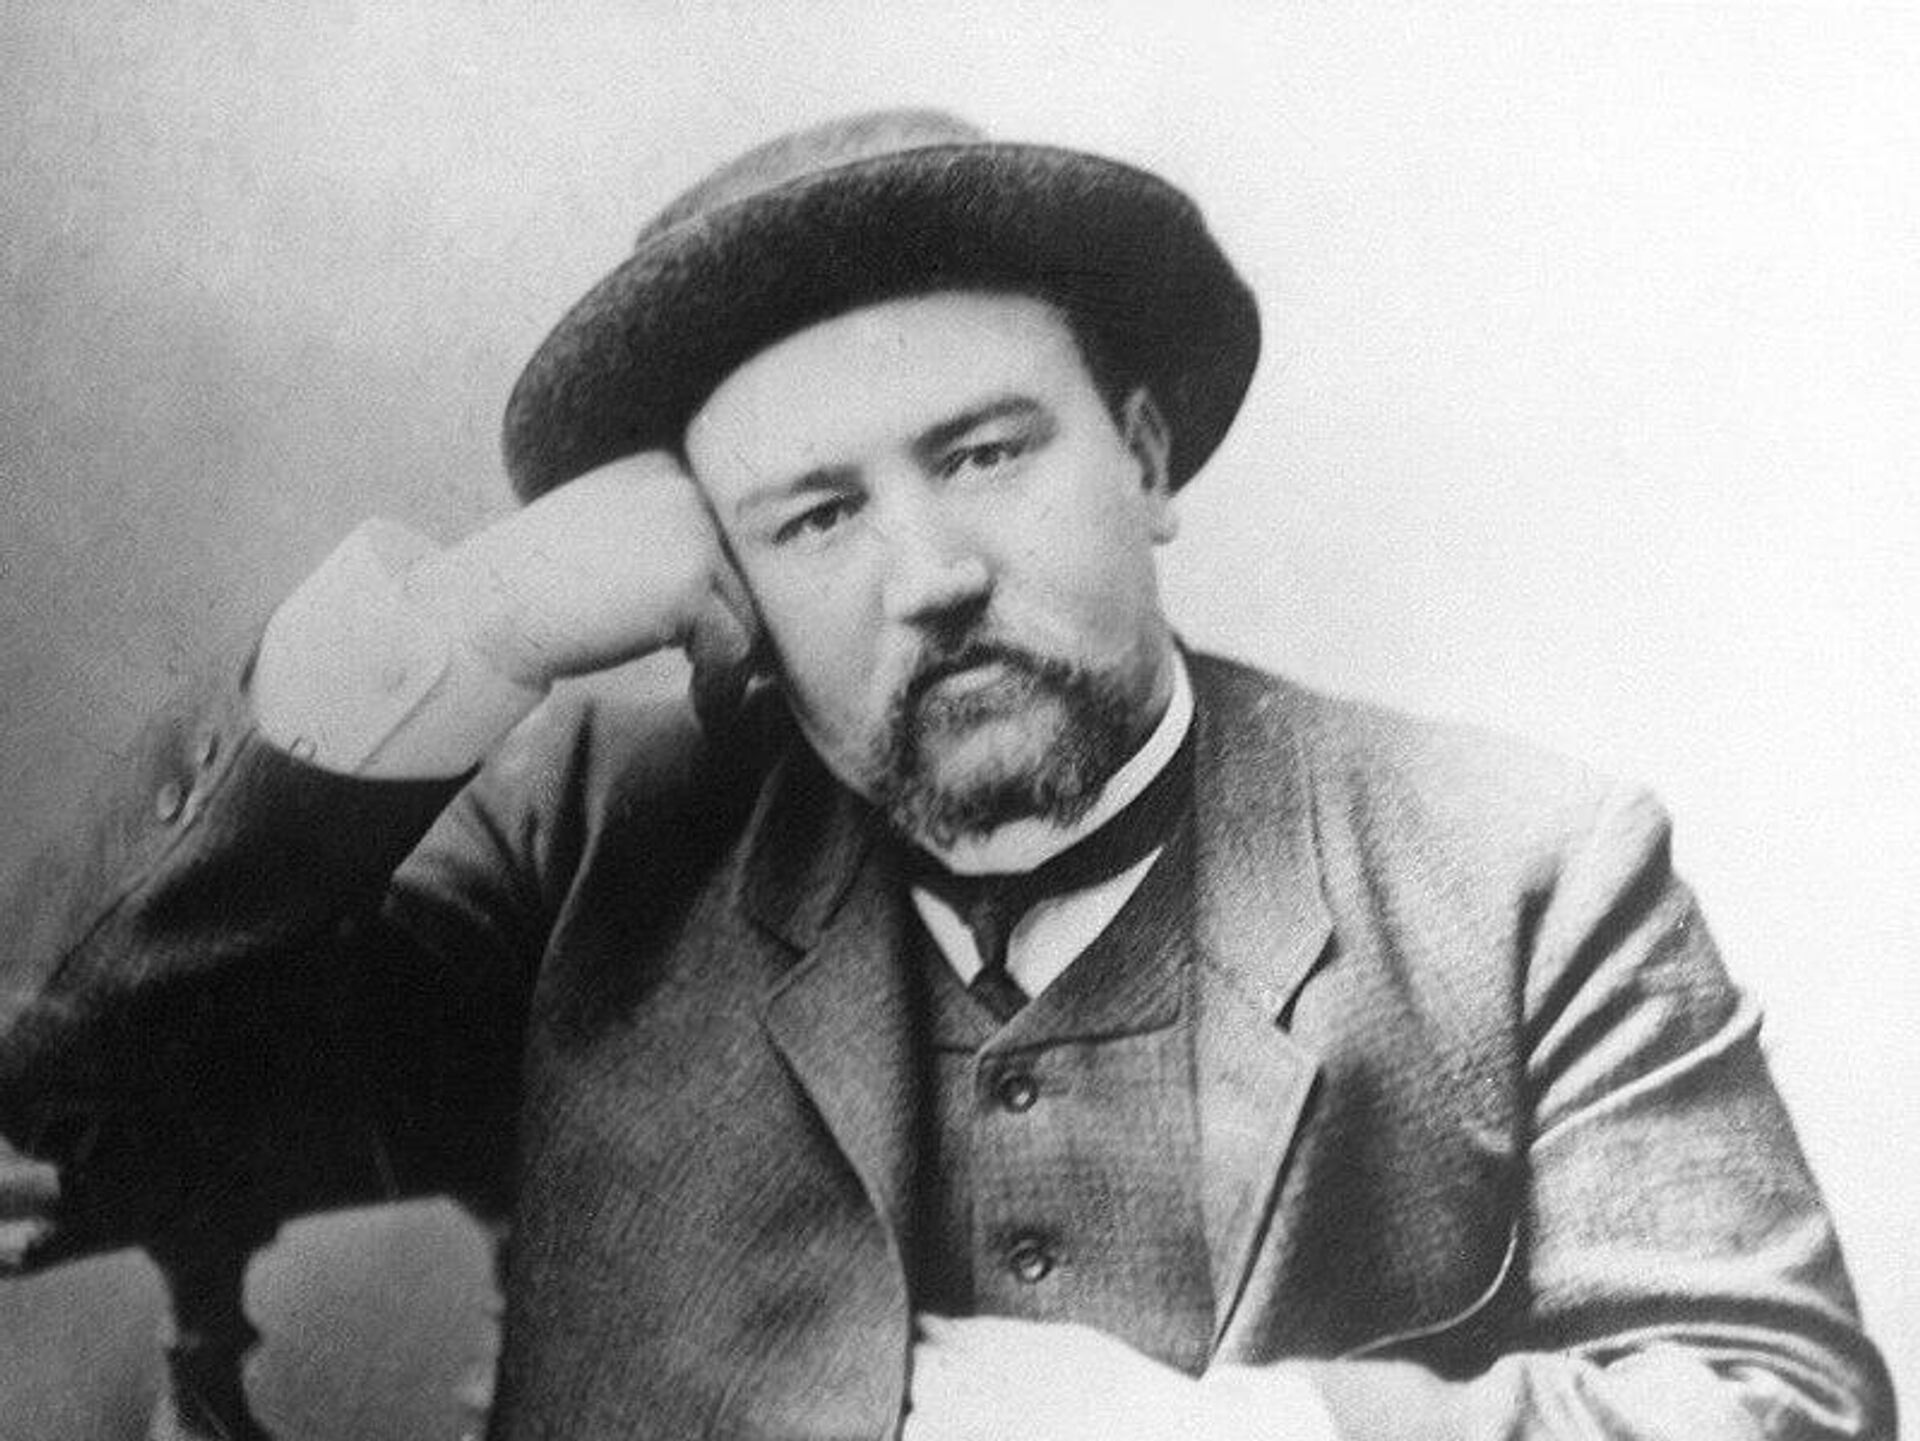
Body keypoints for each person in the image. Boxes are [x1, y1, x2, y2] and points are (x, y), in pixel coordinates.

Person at [0, 109, 1894, 1440]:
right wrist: (472, 624)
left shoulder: (1521, 869)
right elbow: (65, 1090)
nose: (929, 576)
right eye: (813, 516)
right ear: (725, 587)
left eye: (986, 453)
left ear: (1144, 454)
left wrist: (1249, 1438)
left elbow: (1785, 1401)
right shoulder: (590, 840)